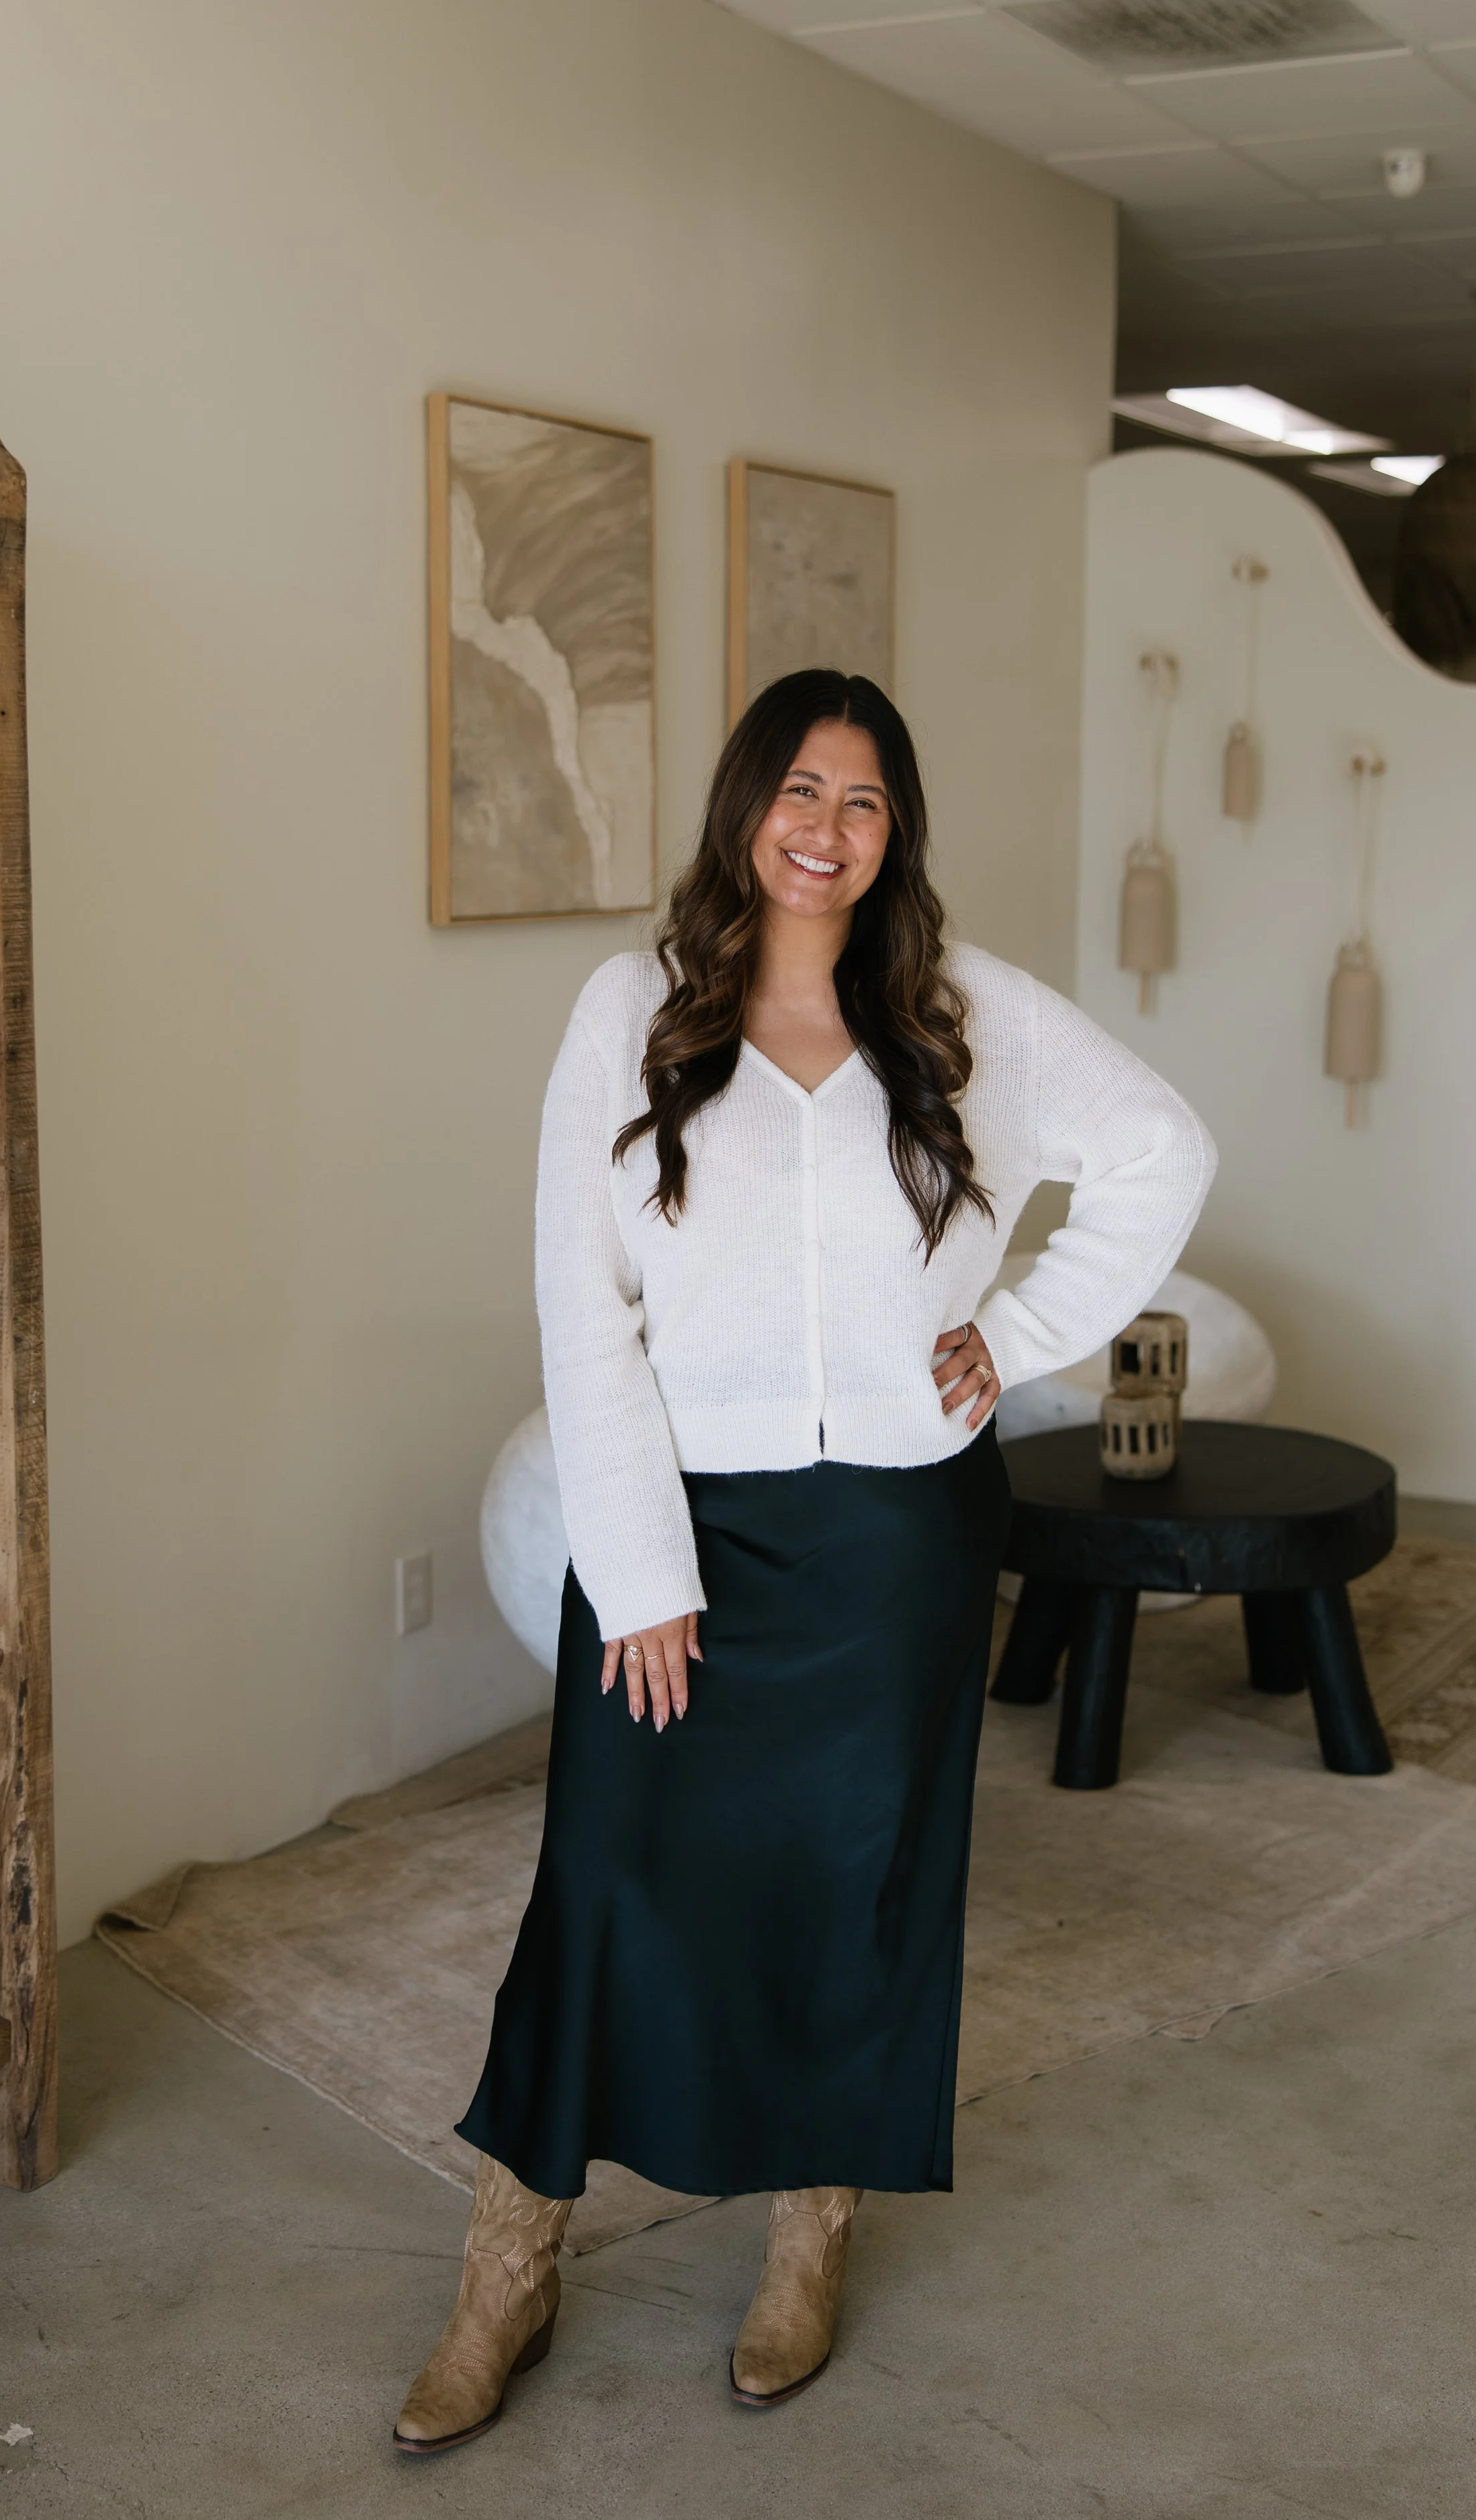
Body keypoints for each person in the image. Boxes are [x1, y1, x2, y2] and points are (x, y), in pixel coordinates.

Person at [394, 669, 1215, 2455]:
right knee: (608, 1880)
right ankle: (508, 2265)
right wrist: (641, 1568)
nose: (824, 828)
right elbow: (582, 1306)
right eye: (797, 789)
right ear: (744, 806)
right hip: (689, 1523)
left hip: (897, 1533)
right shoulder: (633, 1011)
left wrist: (1020, 1330)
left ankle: (807, 2233)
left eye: (861, 798)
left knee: (858, 1886)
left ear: (893, 828)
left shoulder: (960, 1009)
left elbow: (1164, 1146)